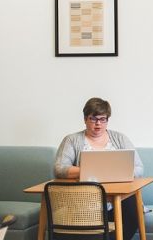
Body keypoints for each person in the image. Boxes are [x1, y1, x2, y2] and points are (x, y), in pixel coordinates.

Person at [54, 97, 144, 240]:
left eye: (103, 119)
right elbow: (60, 169)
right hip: (84, 201)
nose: (98, 124)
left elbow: (139, 168)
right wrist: (90, 170)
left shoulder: (120, 138)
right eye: (93, 119)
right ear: (85, 119)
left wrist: (119, 172)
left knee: (132, 206)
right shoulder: (71, 140)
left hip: (117, 200)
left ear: (107, 120)